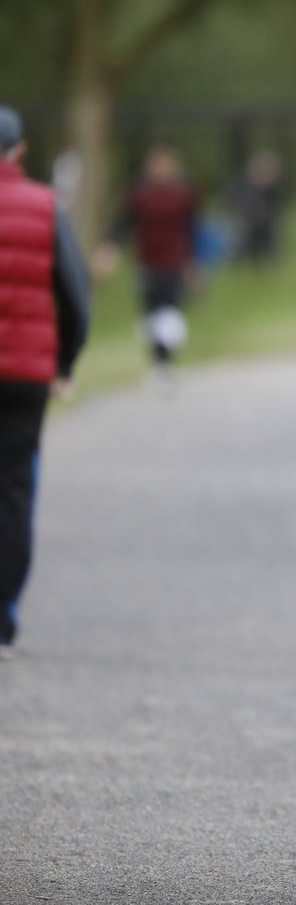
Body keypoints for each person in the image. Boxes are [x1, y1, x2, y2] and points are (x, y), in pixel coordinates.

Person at [0, 106, 90, 659]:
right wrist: (65, 364)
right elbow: (76, 294)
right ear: (20, 151)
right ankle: (3, 620)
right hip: (25, 377)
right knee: (12, 490)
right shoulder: (46, 208)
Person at [100, 144, 200, 375]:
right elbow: (124, 223)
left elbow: (191, 229)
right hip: (147, 261)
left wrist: (193, 262)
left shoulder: (185, 193)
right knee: (151, 313)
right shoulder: (139, 193)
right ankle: (157, 361)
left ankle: (166, 361)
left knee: (171, 312)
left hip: (175, 261)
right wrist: (110, 248)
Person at [232, 149, 287, 263]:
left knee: (268, 238)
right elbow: (239, 205)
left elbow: (275, 208)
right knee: (244, 241)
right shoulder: (244, 186)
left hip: (265, 225)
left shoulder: (273, 190)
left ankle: (267, 259)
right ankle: (244, 259)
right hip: (248, 224)